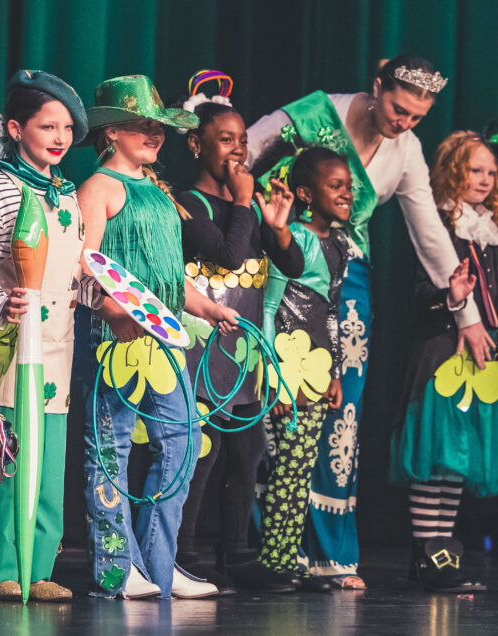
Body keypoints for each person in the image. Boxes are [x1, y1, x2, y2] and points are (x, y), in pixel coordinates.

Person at [246, 54, 489, 588]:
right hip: (287, 262)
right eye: (400, 109)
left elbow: (428, 231)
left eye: (417, 117)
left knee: (341, 411)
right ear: (377, 87)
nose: (405, 123)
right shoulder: (318, 114)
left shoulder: (406, 150)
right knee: (278, 402)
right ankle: (275, 550)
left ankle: (330, 555)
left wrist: (466, 314)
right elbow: (245, 149)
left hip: (347, 277)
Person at [78, 75, 240, 600]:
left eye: (159, 127)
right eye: (141, 126)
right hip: (117, 339)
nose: (154, 135)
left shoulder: (159, 192)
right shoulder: (99, 188)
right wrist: (111, 310)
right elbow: (83, 266)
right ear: (111, 133)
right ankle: (116, 567)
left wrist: (208, 307)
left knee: (183, 443)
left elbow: (169, 274)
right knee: (111, 447)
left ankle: (159, 564)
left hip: (164, 339)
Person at [171, 70, 304, 594]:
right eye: (225, 140)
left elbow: (291, 265)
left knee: (247, 454)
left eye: (243, 141)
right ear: (196, 144)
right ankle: (183, 552)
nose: (238, 151)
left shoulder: (246, 207)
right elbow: (226, 255)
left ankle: (237, 553)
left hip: (242, 355)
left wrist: (277, 226)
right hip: (201, 354)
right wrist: (245, 203)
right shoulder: (189, 202)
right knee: (201, 456)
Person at [0, 70, 88, 602]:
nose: (60, 138)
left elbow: (73, 273)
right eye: (47, 126)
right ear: (15, 129)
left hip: (58, 346)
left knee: (49, 463)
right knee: (3, 459)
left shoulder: (67, 193)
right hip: (9, 345)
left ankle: (38, 568)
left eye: (66, 129)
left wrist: (109, 299)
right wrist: (2, 304)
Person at [389, 130, 498, 592]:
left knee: (457, 459)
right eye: (475, 170)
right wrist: (453, 298)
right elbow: (421, 293)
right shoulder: (438, 224)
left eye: (490, 173)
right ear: (454, 171)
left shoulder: (488, 229)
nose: (484, 180)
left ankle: (437, 555)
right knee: (435, 455)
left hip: (478, 357)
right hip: (442, 351)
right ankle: (429, 552)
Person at [260, 147, 351, 593]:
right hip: (287, 371)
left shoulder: (339, 245)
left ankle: (287, 559)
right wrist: (276, 378)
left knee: (300, 470)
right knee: (286, 469)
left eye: (349, 186)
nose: (347, 193)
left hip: (316, 371)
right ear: (305, 194)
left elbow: (331, 310)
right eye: (336, 186)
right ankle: (274, 562)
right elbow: (268, 307)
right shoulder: (293, 237)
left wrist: (334, 372)